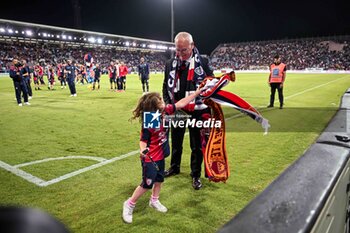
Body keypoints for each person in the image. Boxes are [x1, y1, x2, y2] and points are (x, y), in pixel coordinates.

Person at [122, 86, 204, 224]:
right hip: (151, 157)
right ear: (154, 106)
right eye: (160, 100)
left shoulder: (166, 111)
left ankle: (154, 200)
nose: (163, 100)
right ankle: (129, 204)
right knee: (147, 183)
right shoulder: (151, 119)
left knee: (159, 180)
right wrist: (143, 150)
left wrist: (197, 93)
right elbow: (143, 140)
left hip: (161, 155)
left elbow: (181, 103)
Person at [162, 32, 214, 190]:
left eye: (183, 50)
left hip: (197, 110)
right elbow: (165, 86)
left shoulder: (203, 61)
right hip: (177, 109)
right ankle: (174, 167)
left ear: (192, 45)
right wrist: (168, 104)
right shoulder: (170, 63)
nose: (180, 53)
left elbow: (212, 83)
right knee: (176, 141)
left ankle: (195, 174)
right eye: (177, 49)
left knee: (196, 145)